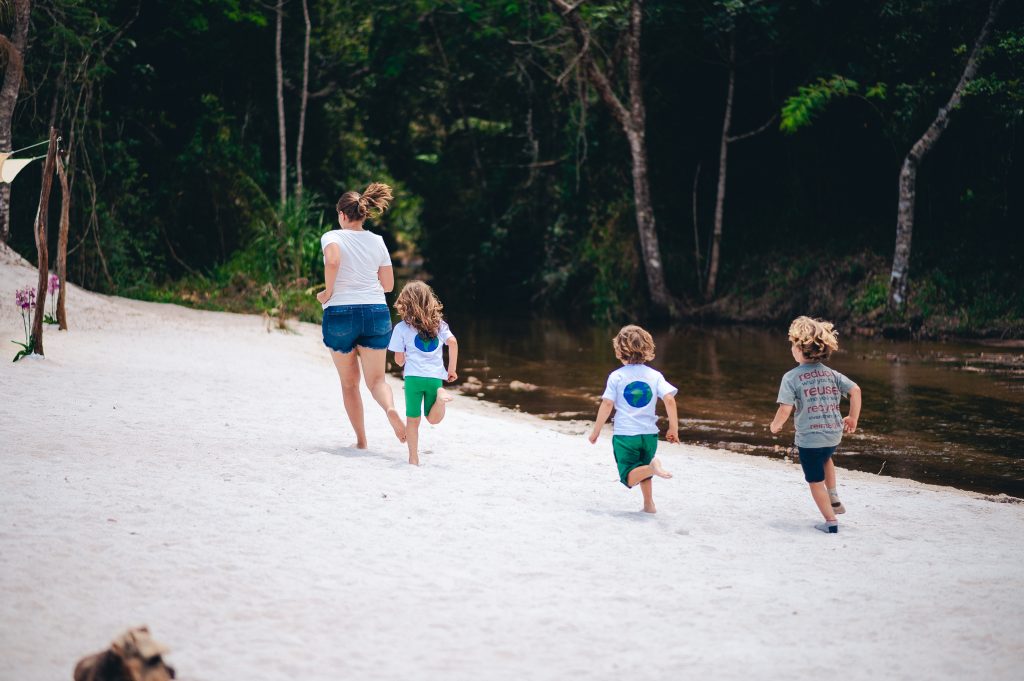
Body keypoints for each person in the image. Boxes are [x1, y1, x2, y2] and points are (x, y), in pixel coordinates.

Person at [316, 182, 406, 447]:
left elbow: (332, 261)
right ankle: (390, 409)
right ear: (364, 214)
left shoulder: (332, 236)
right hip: (376, 312)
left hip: (340, 313)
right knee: (377, 380)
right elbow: (388, 286)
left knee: (349, 383)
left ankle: (362, 440)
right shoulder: (377, 242)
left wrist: (328, 291)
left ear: (343, 215)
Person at [770, 316, 862, 534]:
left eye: (793, 344)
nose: (791, 348)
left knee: (814, 480)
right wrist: (852, 418)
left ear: (801, 349)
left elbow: (785, 409)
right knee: (826, 458)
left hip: (810, 440)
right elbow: (855, 390)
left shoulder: (791, 377)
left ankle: (830, 521)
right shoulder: (831, 374)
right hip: (833, 435)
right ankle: (833, 495)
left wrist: (775, 426)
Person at [588, 325, 679, 513]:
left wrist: (596, 431)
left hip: (626, 435)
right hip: (649, 436)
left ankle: (654, 469)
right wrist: (673, 428)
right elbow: (669, 399)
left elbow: (607, 405)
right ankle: (648, 504)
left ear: (619, 351)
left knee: (628, 475)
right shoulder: (655, 376)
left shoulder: (617, 376)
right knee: (643, 468)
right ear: (647, 348)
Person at [388, 280, 458, 465]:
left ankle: (413, 458)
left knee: (413, 420)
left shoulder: (401, 328)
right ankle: (440, 398)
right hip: (435, 378)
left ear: (405, 303)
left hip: (413, 378)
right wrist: (451, 369)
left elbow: (398, 360)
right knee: (433, 418)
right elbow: (453, 343)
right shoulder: (440, 325)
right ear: (430, 301)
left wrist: (402, 359)